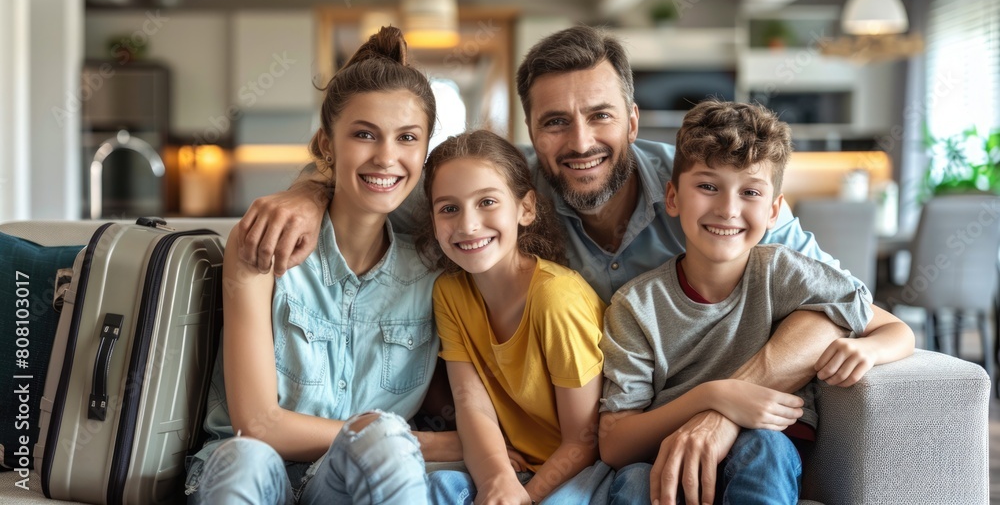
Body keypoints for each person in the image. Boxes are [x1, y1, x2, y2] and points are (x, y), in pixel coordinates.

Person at [233, 25, 905, 501]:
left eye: (600, 116)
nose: (580, 141)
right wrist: (310, 189)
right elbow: (386, 187)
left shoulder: (708, 192)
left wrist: (725, 406)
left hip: (647, 434)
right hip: (607, 446)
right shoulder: (499, 203)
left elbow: (833, 309)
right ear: (531, 134)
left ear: (634, 121)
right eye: (555, 122)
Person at [184, 26, 462, 504]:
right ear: (326, 144)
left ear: (425, 151)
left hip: (348, 481)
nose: (387, 157)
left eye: (408, 138)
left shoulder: (436, 264)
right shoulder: (261, 244)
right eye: (363, 134)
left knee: (383, 441)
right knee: (252, 456)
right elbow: (259, 423)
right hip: (250, 470)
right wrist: (425, 441)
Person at [598, 100, 915, 505]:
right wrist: (713, 395)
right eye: (708, 186)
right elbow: (614, 444)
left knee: (765, 446)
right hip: (670, 457)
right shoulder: (636, 305)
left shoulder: (786, 273)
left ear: (773, 211)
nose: (728, 209)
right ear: (673, 197)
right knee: (635, 481)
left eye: (749, 192)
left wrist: (867, 348)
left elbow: (896, 330)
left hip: (766, 448)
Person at [416, 130, 612, 504]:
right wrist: (496, 479)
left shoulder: (556, 299)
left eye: (487, 201)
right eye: (449, 208)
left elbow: (582, 442)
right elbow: (471, 404)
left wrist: (523, 496)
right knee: (438, 488)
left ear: (526, 208)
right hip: (511, 464)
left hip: (581, 469)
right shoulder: (449, 293)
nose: (468, 225)